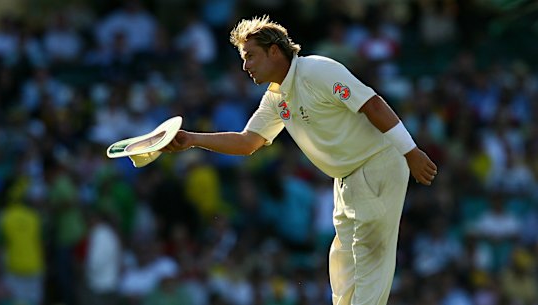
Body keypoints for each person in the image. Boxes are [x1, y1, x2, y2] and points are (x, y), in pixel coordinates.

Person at [163, 15, 438, 305]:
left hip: (377, 162)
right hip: (346, 178)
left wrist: (411, 152)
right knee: (342, 260)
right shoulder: (276, 98)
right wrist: (192, 139)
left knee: (369, 253)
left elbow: (372, 104)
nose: (246, 66)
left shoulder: (317, 70)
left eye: (250, 56)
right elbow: (247, 142)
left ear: (274, 51)